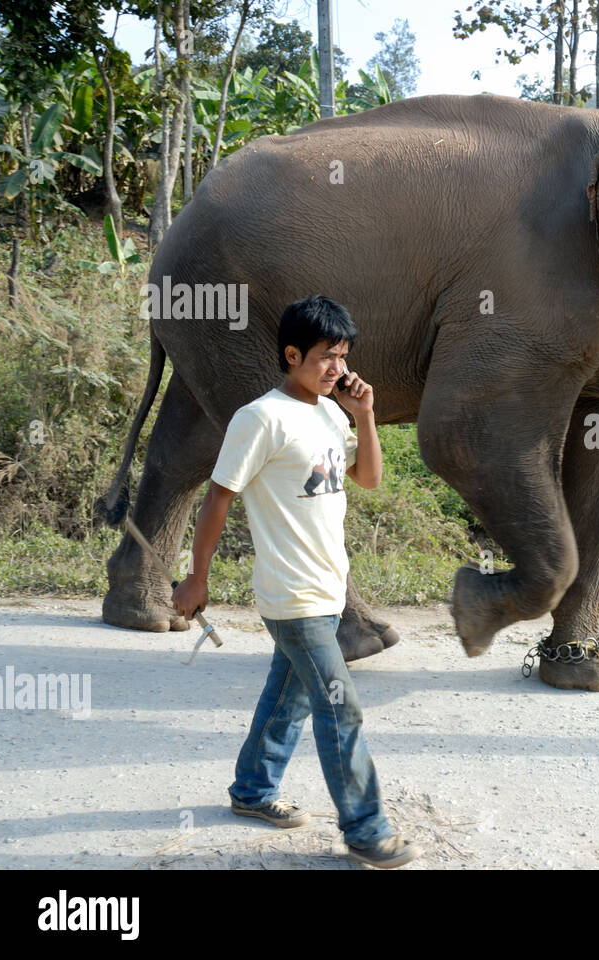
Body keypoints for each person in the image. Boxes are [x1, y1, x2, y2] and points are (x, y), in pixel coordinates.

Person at [172, 294, 418, 869]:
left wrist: (365, 415)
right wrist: (195, 577)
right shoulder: (260, 418)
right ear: (291, 354)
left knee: (291, 695)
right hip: (292, 594)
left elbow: (369, 479)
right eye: (327, 356)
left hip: (330, 588)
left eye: (344, 355)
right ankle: (367, 830)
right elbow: (217, 498)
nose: (338, 367)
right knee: (340, 708)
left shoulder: (332, 413)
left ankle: (253, 791)